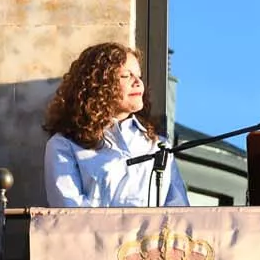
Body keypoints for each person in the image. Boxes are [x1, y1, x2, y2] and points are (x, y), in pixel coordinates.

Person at [42, 43, 187, 207]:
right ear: (98, 84)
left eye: (139, 76)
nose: (138, 82)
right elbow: (69, 211)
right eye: (127, 76)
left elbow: (179, 212)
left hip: (151, 234)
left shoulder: (158, 145)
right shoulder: (65, 145)